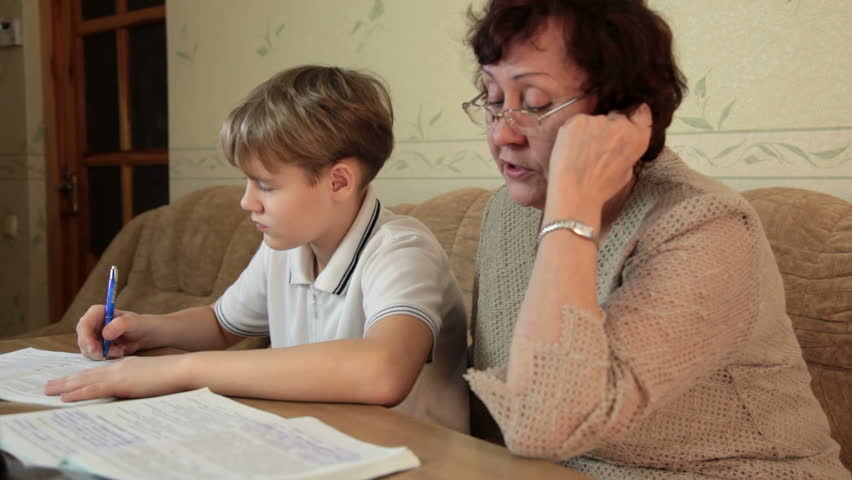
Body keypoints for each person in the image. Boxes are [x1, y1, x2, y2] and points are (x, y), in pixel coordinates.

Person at [461, 0, 849, 478]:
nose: (502, 135)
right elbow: (500, 412)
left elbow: (543, 423)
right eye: (493, 99)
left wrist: (572, 206)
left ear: (620, 112)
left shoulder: (705, 224)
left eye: (536, 103)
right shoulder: (506, 212)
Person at [45, 65, 469, 433]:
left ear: (338, 182)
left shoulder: (402, 250)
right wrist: (143, 329)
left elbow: (383, 371)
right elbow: (221, 324)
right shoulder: (286, 248)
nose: (248, 202)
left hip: (414, 454)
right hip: (320, 442)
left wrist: (180, 370)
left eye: (266, 185)